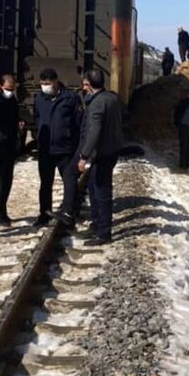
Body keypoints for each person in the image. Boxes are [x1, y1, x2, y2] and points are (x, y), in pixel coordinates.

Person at [78, 68, 123, 245]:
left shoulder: (96, 104)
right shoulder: (112, 98)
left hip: (101, 154)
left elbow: (94, 132)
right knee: (94, 187)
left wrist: (84, 155)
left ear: (89, 84)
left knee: (101, 192)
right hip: (111, 150)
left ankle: (103, 232)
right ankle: (96, 225)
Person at [33, 67, 79, 227]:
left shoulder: (70, 98)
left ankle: (69, 212)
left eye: (48, 83)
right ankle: (44, 213)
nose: (45, 86)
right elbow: (37, 118)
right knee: (45, 183)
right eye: (42, 83)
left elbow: (77, 123)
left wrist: (74, 144)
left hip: (64, 148)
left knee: (69, 181)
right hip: (45, 149)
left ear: (56, 82)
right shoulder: (39, 99)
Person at [0, 73, 22, 226]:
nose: (10, 91)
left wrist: (18, 125)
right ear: (0, 86)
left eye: (12, 88)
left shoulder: (12, 100)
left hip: (9, 145)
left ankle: (2, 211)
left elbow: (13, 118)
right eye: (8, 88)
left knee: (6, 180)